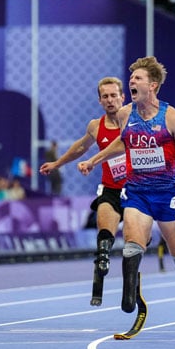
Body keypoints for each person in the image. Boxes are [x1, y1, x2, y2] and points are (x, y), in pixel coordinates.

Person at [78, 56, 175, 323]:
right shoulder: (126, 114)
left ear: (153, 85)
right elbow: (121, 144)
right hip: (136, 192)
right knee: (132, 245)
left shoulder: (173, 118)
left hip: (168, 194)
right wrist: (93, 159)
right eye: (131, 78)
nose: (131, 81)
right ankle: (128, 297)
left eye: (137, 78)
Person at [39, 76, 126, 306]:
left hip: (138, 190)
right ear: (99, 101)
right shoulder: (95, 126)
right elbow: (80, 147)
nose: (110, 100)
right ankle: (100, 274)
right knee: (104, 235)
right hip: (111, 189)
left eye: (113, 95)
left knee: (137, 244)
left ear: (122, 97)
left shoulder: (135, 122)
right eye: (105, 96)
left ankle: (130, 289)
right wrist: (57, 164)